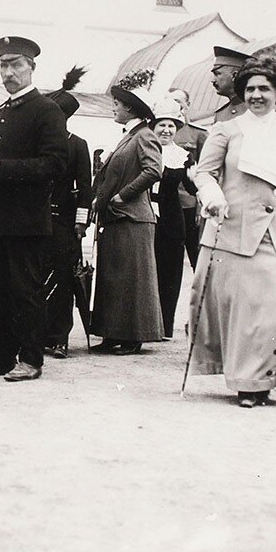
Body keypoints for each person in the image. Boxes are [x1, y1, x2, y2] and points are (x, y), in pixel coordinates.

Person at [188, 50, 276, 408]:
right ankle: (250, 385)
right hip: (236, 234)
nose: (256, 96)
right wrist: (213, 196)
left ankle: (270, 379)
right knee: (248, 315)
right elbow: (204, 173)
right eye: (249, 89)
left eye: (264, 88)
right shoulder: (227, 131)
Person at [0, 36, 68, 383]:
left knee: (26, 292)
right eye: (3, 65)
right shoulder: (4, 110)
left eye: (16, 64)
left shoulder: (46, 110)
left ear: (32, 68)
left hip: (27, 220)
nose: (8, 72)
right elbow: (1, 155)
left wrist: (3, 169)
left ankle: (31, 360)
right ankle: (1, 357)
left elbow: (55, 164)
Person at [89, 68, 164, 355]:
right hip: (118, 218)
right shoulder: (128, 136)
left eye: (117, 104)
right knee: (114, 277)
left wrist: (121, 196)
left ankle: (133, 337)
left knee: (132, 279)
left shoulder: (144, 135)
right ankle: (112, 333)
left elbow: (152, 171)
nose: (113, 108)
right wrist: (101, 199)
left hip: (133, 217)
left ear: (129, 108)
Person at [43, 68, 92, 359]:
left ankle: (59, 337)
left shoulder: (78, 145)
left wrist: (80, 224)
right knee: (35, 278)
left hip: (64, 222)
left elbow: (85, 188)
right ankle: (35, 335)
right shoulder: (37, 144)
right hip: (35, 220)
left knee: (63, 280)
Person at [149, 98, 198, 341]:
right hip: (146, 216)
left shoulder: (183, 156)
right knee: (147, 270)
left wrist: (194, 177)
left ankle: (164, 326)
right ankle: (145, 324)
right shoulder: (144, 150)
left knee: (169, 272)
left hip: (170, 219)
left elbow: (192, 187)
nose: (166, 131)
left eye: (171, 126)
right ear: (153, 127)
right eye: (161, 126)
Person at [168, 87, 208, 266]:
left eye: (178, 102)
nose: (174, 106)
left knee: (196, 255)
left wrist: (201, 207)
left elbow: (207, 172)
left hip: (189, 204)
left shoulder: (198, 134)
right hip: (166, 203)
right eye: (170, 101)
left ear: (187, 105)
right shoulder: (161, 130)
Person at [209, 45, 253, 125]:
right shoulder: (220, 115)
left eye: (217, 74)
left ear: (234, 75)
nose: (213, 80)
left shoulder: (260, 107)